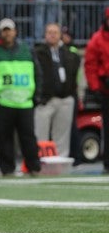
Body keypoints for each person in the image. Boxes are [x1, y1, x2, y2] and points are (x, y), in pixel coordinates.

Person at [0, 18, 42, 176]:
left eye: (9, 30)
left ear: (15, 31)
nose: (7, 33)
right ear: (0, 32)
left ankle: (33, 167)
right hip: (3, 102)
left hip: (25, 102)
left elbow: (38, 73)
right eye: (4, 30)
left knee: (28, 137)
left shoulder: (27, 50)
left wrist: (37, 95)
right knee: (3, 138)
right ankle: (7, 169)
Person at [33, 22, 80, 158]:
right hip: (45, 100)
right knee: (40, 134)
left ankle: (60, 163)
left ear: (60, 35)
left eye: (55, 32)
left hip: (64, 99)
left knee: (62, 136)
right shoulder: (38, 52)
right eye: (50, 32)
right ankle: (40, 162)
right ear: (45, 35)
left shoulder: (68, 53)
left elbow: (74, 72)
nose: (52, 35)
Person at [84, 7, 109, 174]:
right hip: (106, 89)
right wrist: (95, 88)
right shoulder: (97, 39)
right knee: (107, 128)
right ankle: (107, 161)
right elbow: (90, 65)